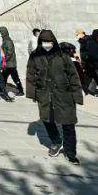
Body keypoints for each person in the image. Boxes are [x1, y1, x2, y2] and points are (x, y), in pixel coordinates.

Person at [26, 29, 83, 164]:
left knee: (68, 124)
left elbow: (73, 75)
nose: (47, 44)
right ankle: (56, 142)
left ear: (54, 42)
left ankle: (71, 153)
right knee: (47, 120)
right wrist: (33, 93)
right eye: (44, 42)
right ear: (40, 42)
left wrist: (77, 95)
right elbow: (30, 75)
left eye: (49, 42)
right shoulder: (35, 56)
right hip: (45, 94)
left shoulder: (63, 56)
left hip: (64, 94)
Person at [0, 26, 23, 94]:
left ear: (3, 32)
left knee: (15, 78)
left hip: (10, 64)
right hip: (8, 63)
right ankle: (2, 88)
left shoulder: (8, 41)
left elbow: (9, 53)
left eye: (0, 32)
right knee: (3, 77)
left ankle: (21, 90)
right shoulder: (5, 40)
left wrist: (4, 61)